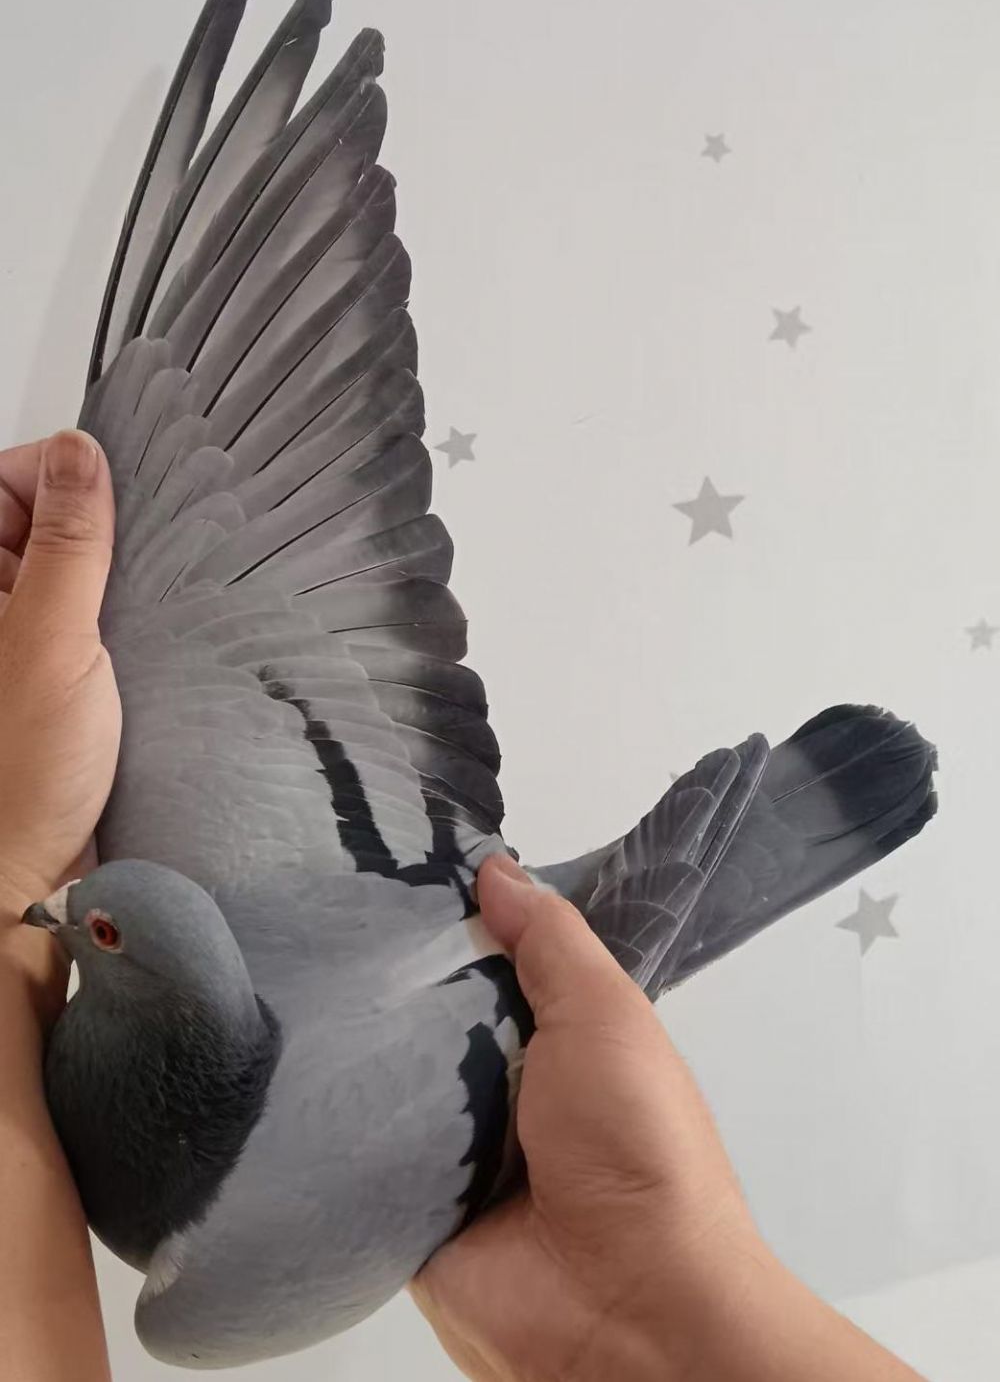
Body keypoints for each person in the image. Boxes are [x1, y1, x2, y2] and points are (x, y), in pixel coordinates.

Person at [0, 431, 924, 1382]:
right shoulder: (219, 1238)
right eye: (88, 920)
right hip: (454, 930)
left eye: (90, 924)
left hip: (480, 971)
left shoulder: (209, 1276)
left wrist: (16, 862)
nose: (51, 911)